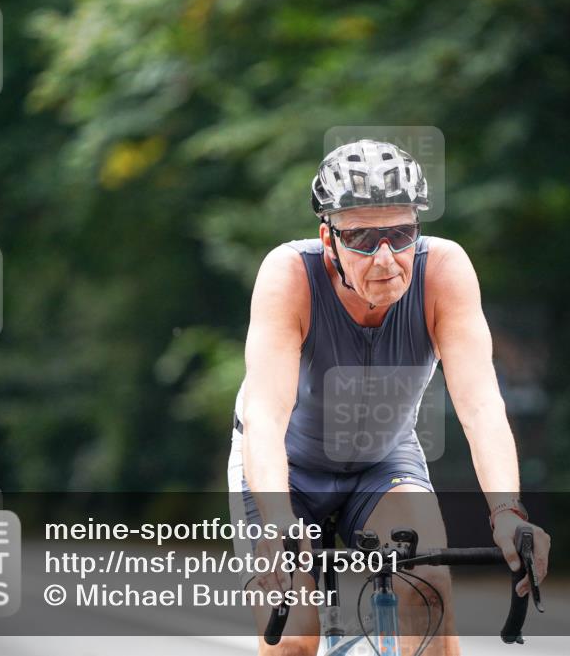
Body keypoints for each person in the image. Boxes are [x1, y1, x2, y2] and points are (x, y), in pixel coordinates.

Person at [227, 139, 551, 655]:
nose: (385, 258)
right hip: (284, 466)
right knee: (293, 634)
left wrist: (507, 511)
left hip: (383, 462)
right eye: (361, 238)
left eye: (401, 234)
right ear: (328, 239)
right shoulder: (289, 276)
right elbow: (266, 416)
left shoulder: (443, 271)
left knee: (428, 590)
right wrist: (277, 521)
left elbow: (481, 406)